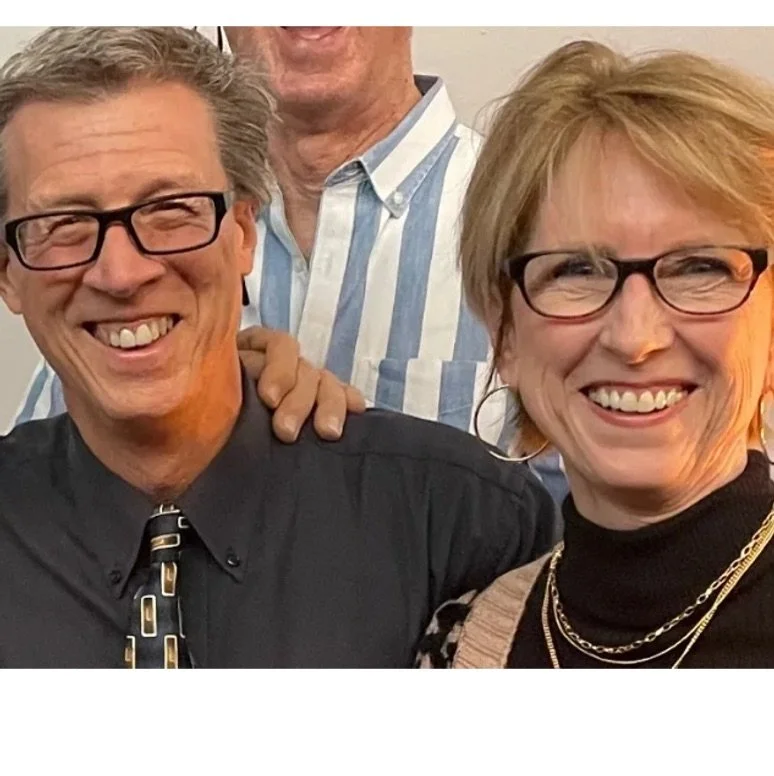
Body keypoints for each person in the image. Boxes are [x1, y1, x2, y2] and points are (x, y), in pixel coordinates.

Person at [0, 26, 559, 668]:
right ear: (7, 271)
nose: (122, 274)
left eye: (172, 210)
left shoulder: (472, 509)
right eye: (64, 225)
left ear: (242, 233)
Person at [415, 40, 774, 669]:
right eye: (577, 269)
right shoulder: (461, 642)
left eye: (700, 267)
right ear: (504, 334)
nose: (635, 338)